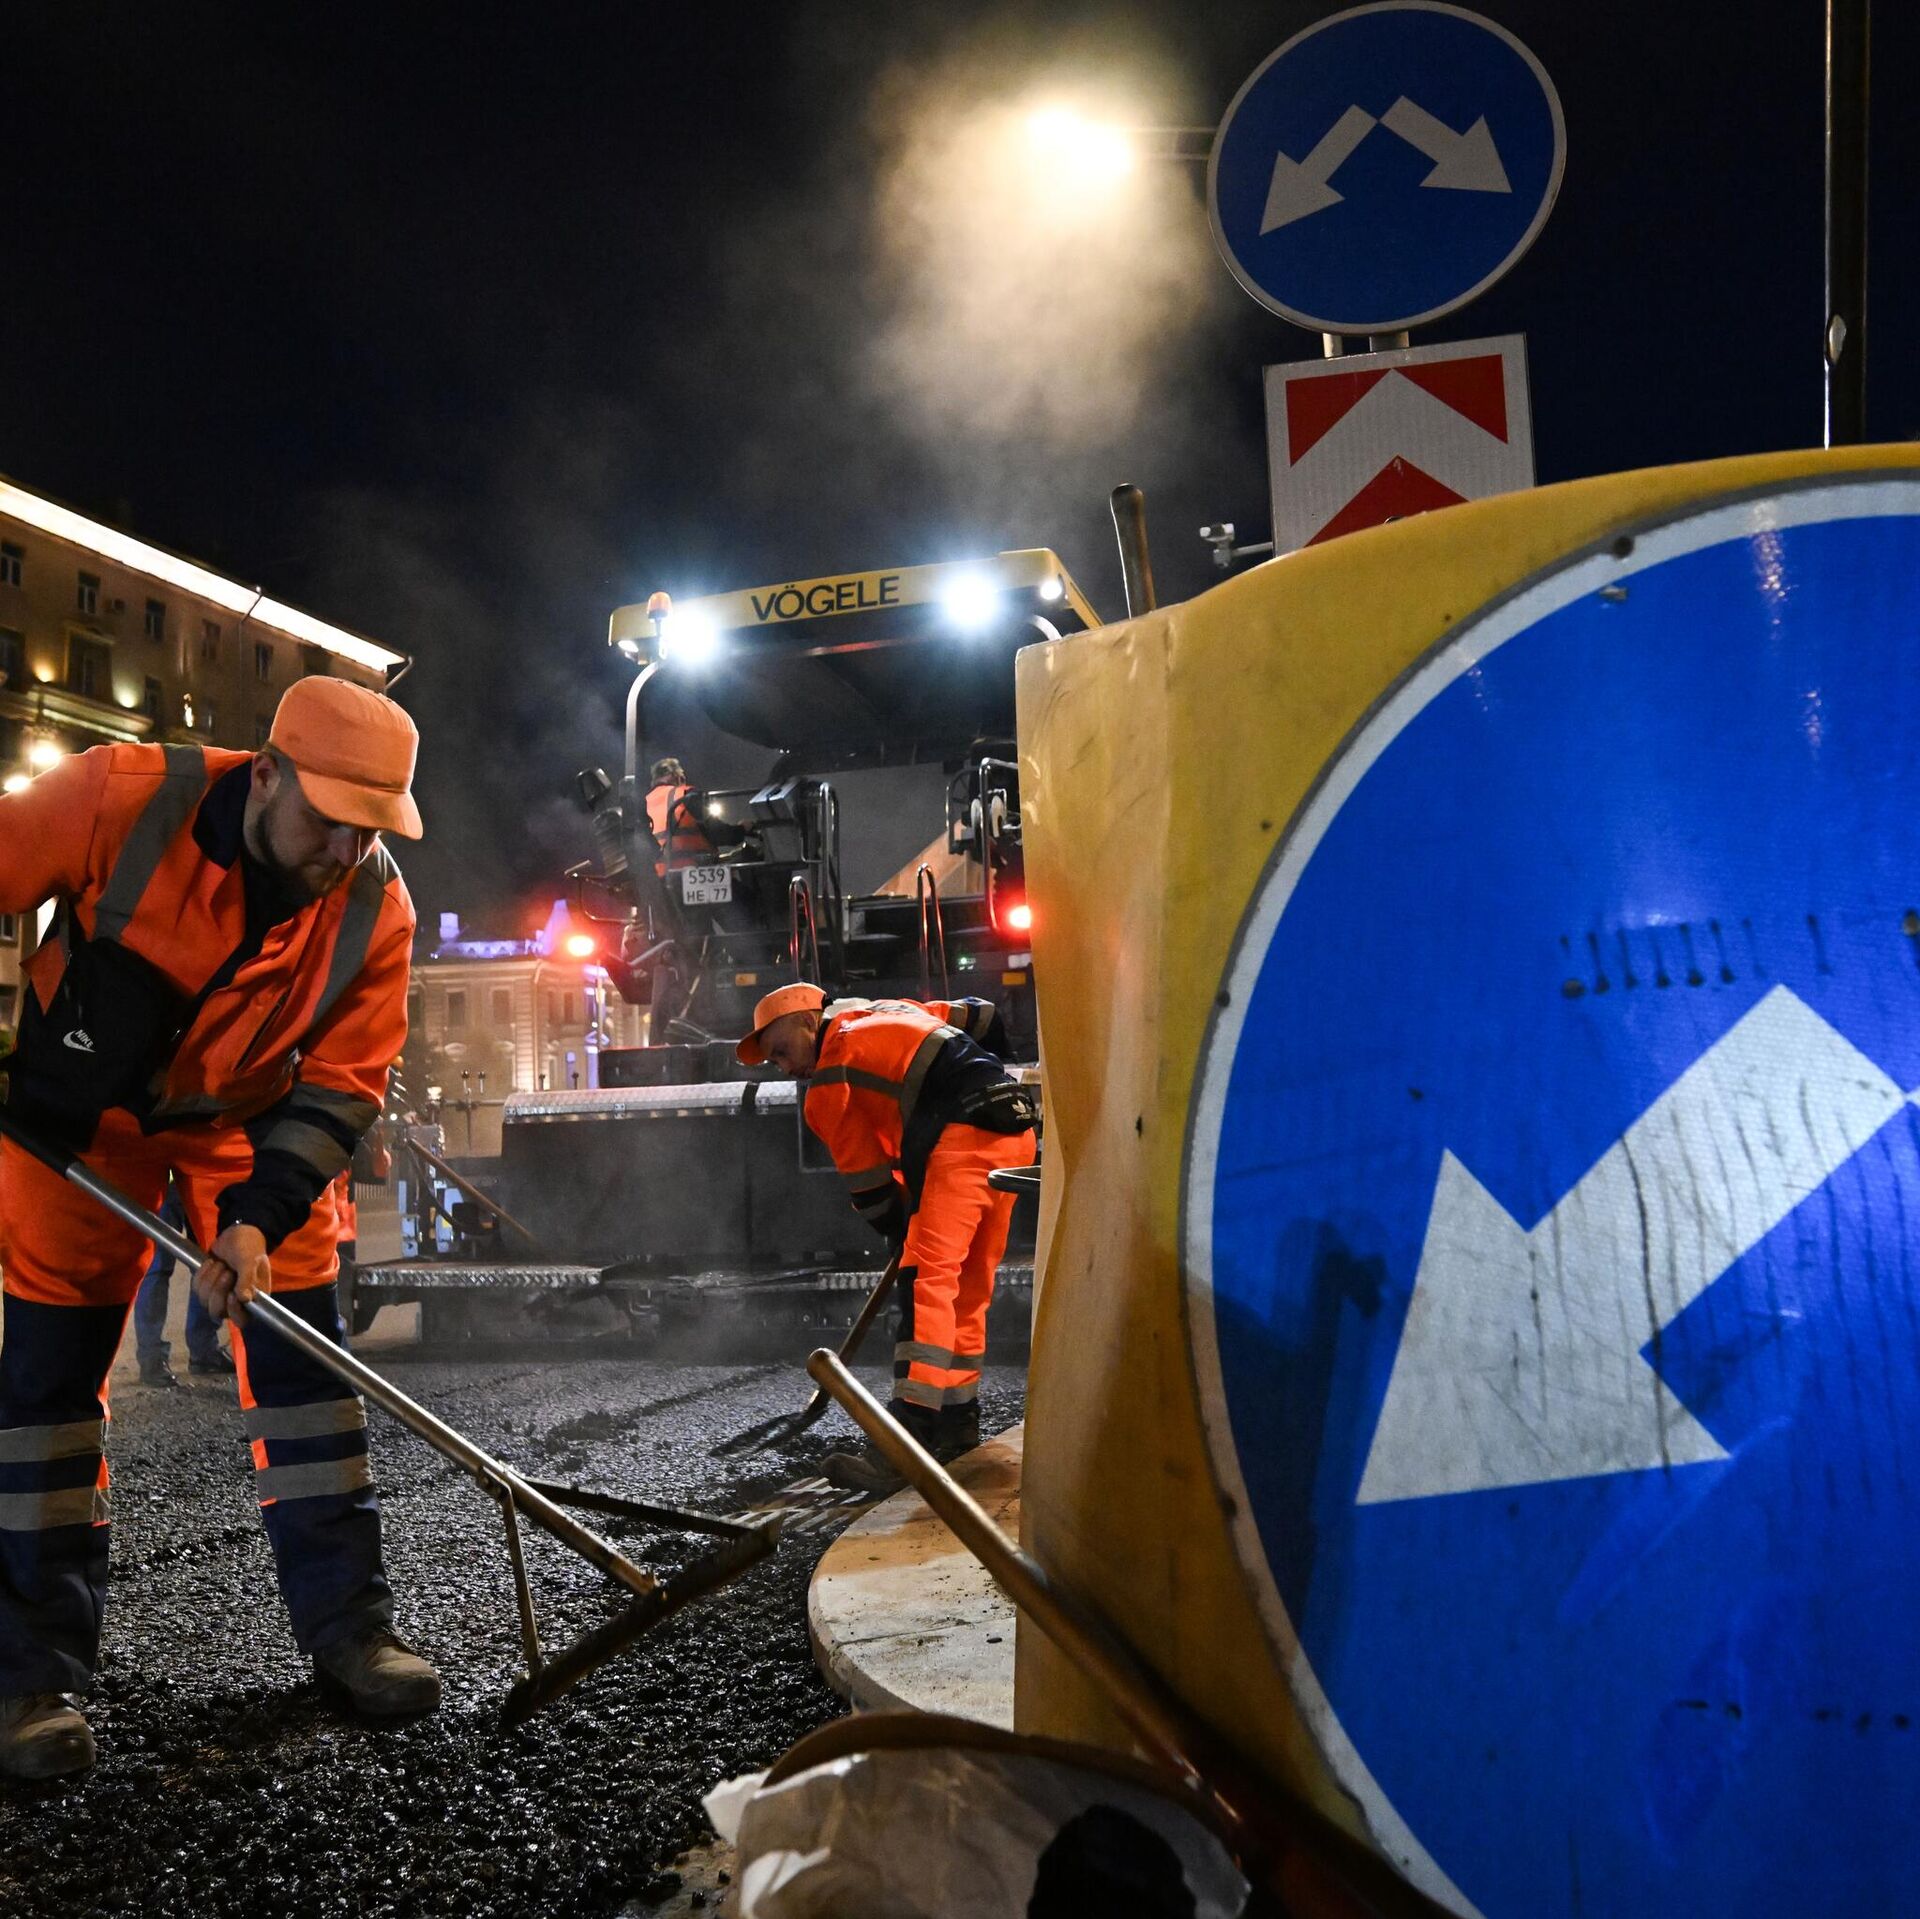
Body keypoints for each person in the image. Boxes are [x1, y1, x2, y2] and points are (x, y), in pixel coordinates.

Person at [0, 675, 440, 1780]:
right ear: (269, 773)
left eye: (372, 827)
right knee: (45, 1394)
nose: (347, 847)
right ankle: (31, 1678)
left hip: (244, 1128)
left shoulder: (376, 910)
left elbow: (341, 1085)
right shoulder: (116, 797)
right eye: (329, 817)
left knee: (306, 1378)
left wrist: (254, 1221)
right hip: (74, 1127)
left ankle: (352, 1631)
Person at [735, 983, 1038, 1494]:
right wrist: (990, 1076)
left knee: (925, 1282)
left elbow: (872, 1190)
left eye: (782, 1051)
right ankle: (957, 1427)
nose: (784, 1067)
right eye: (773, 1061)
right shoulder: (890, 1010)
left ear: (809, 1022)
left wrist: (903, 1233)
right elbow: (982, 1015)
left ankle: (906, 1442)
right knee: (966, 1288)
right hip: (1014, 1131)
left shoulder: (830, 1081)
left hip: (960, 1139)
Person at [130, 1178, 233, 1387]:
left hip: (183, 1178)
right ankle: (160, 1357)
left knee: (205, 1264)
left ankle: (191, 1354)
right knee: (166, 1267)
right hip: (177, 1178)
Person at [645, 756, 713, 875]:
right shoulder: (686, 794)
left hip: (658, 874)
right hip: (694, 870)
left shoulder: (644, 802)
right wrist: (741, 829)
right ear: (675, 775)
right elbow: (717, 831)